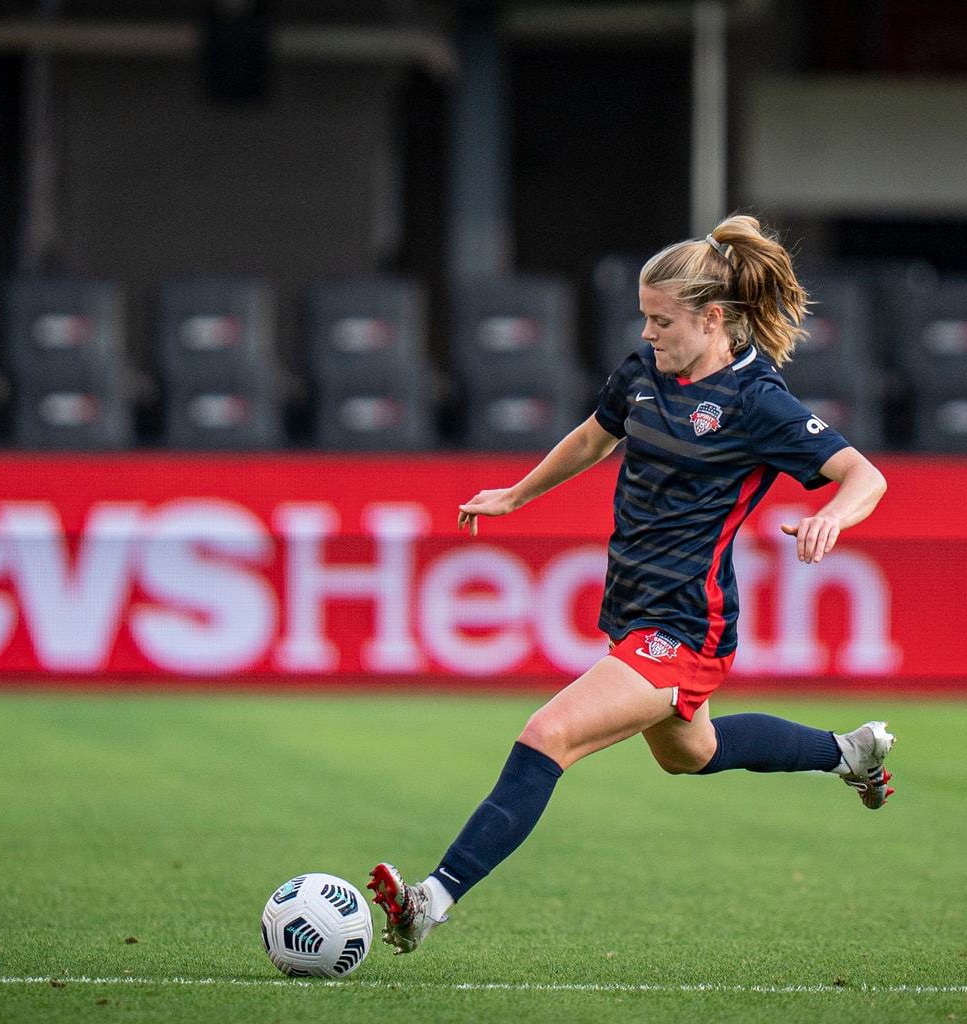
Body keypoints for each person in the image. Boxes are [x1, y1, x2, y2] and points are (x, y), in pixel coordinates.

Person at [369, 213, 894, 955]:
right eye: (644, 319)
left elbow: (862, 475)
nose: (649, 334)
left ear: (713, 320)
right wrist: (514, 495)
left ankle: (432, 898)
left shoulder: (756, 403)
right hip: (632, 611)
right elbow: (594, 433)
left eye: (662, 321)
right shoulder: (644, 373)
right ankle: (848, 753)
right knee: (691, 753)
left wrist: (832, 515)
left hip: (685, 624)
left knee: (547, 734)